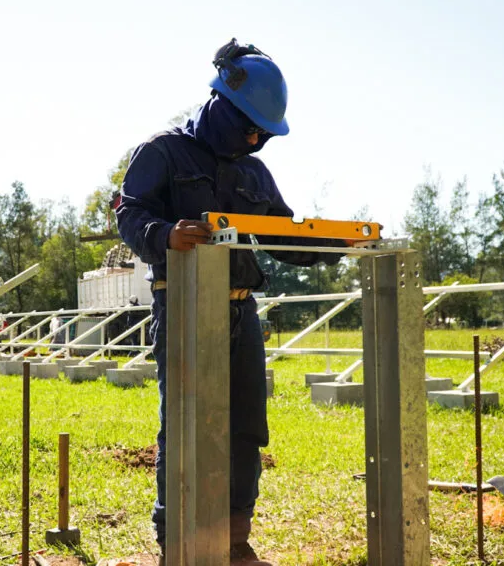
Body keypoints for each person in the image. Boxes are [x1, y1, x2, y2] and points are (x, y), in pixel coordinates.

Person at [115, 38, 343, 565]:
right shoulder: (163, 152)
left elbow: (283, 234)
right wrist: (165, 233)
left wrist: (335, 243)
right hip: (184, 307)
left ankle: (235, 540)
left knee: (245, 426)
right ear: (221, 101)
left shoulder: (253, 171)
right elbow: (130, 214)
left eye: (264, 133)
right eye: (249, 126)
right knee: (186, 424)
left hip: (240, 310)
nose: (256, 138)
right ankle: (177, 542)